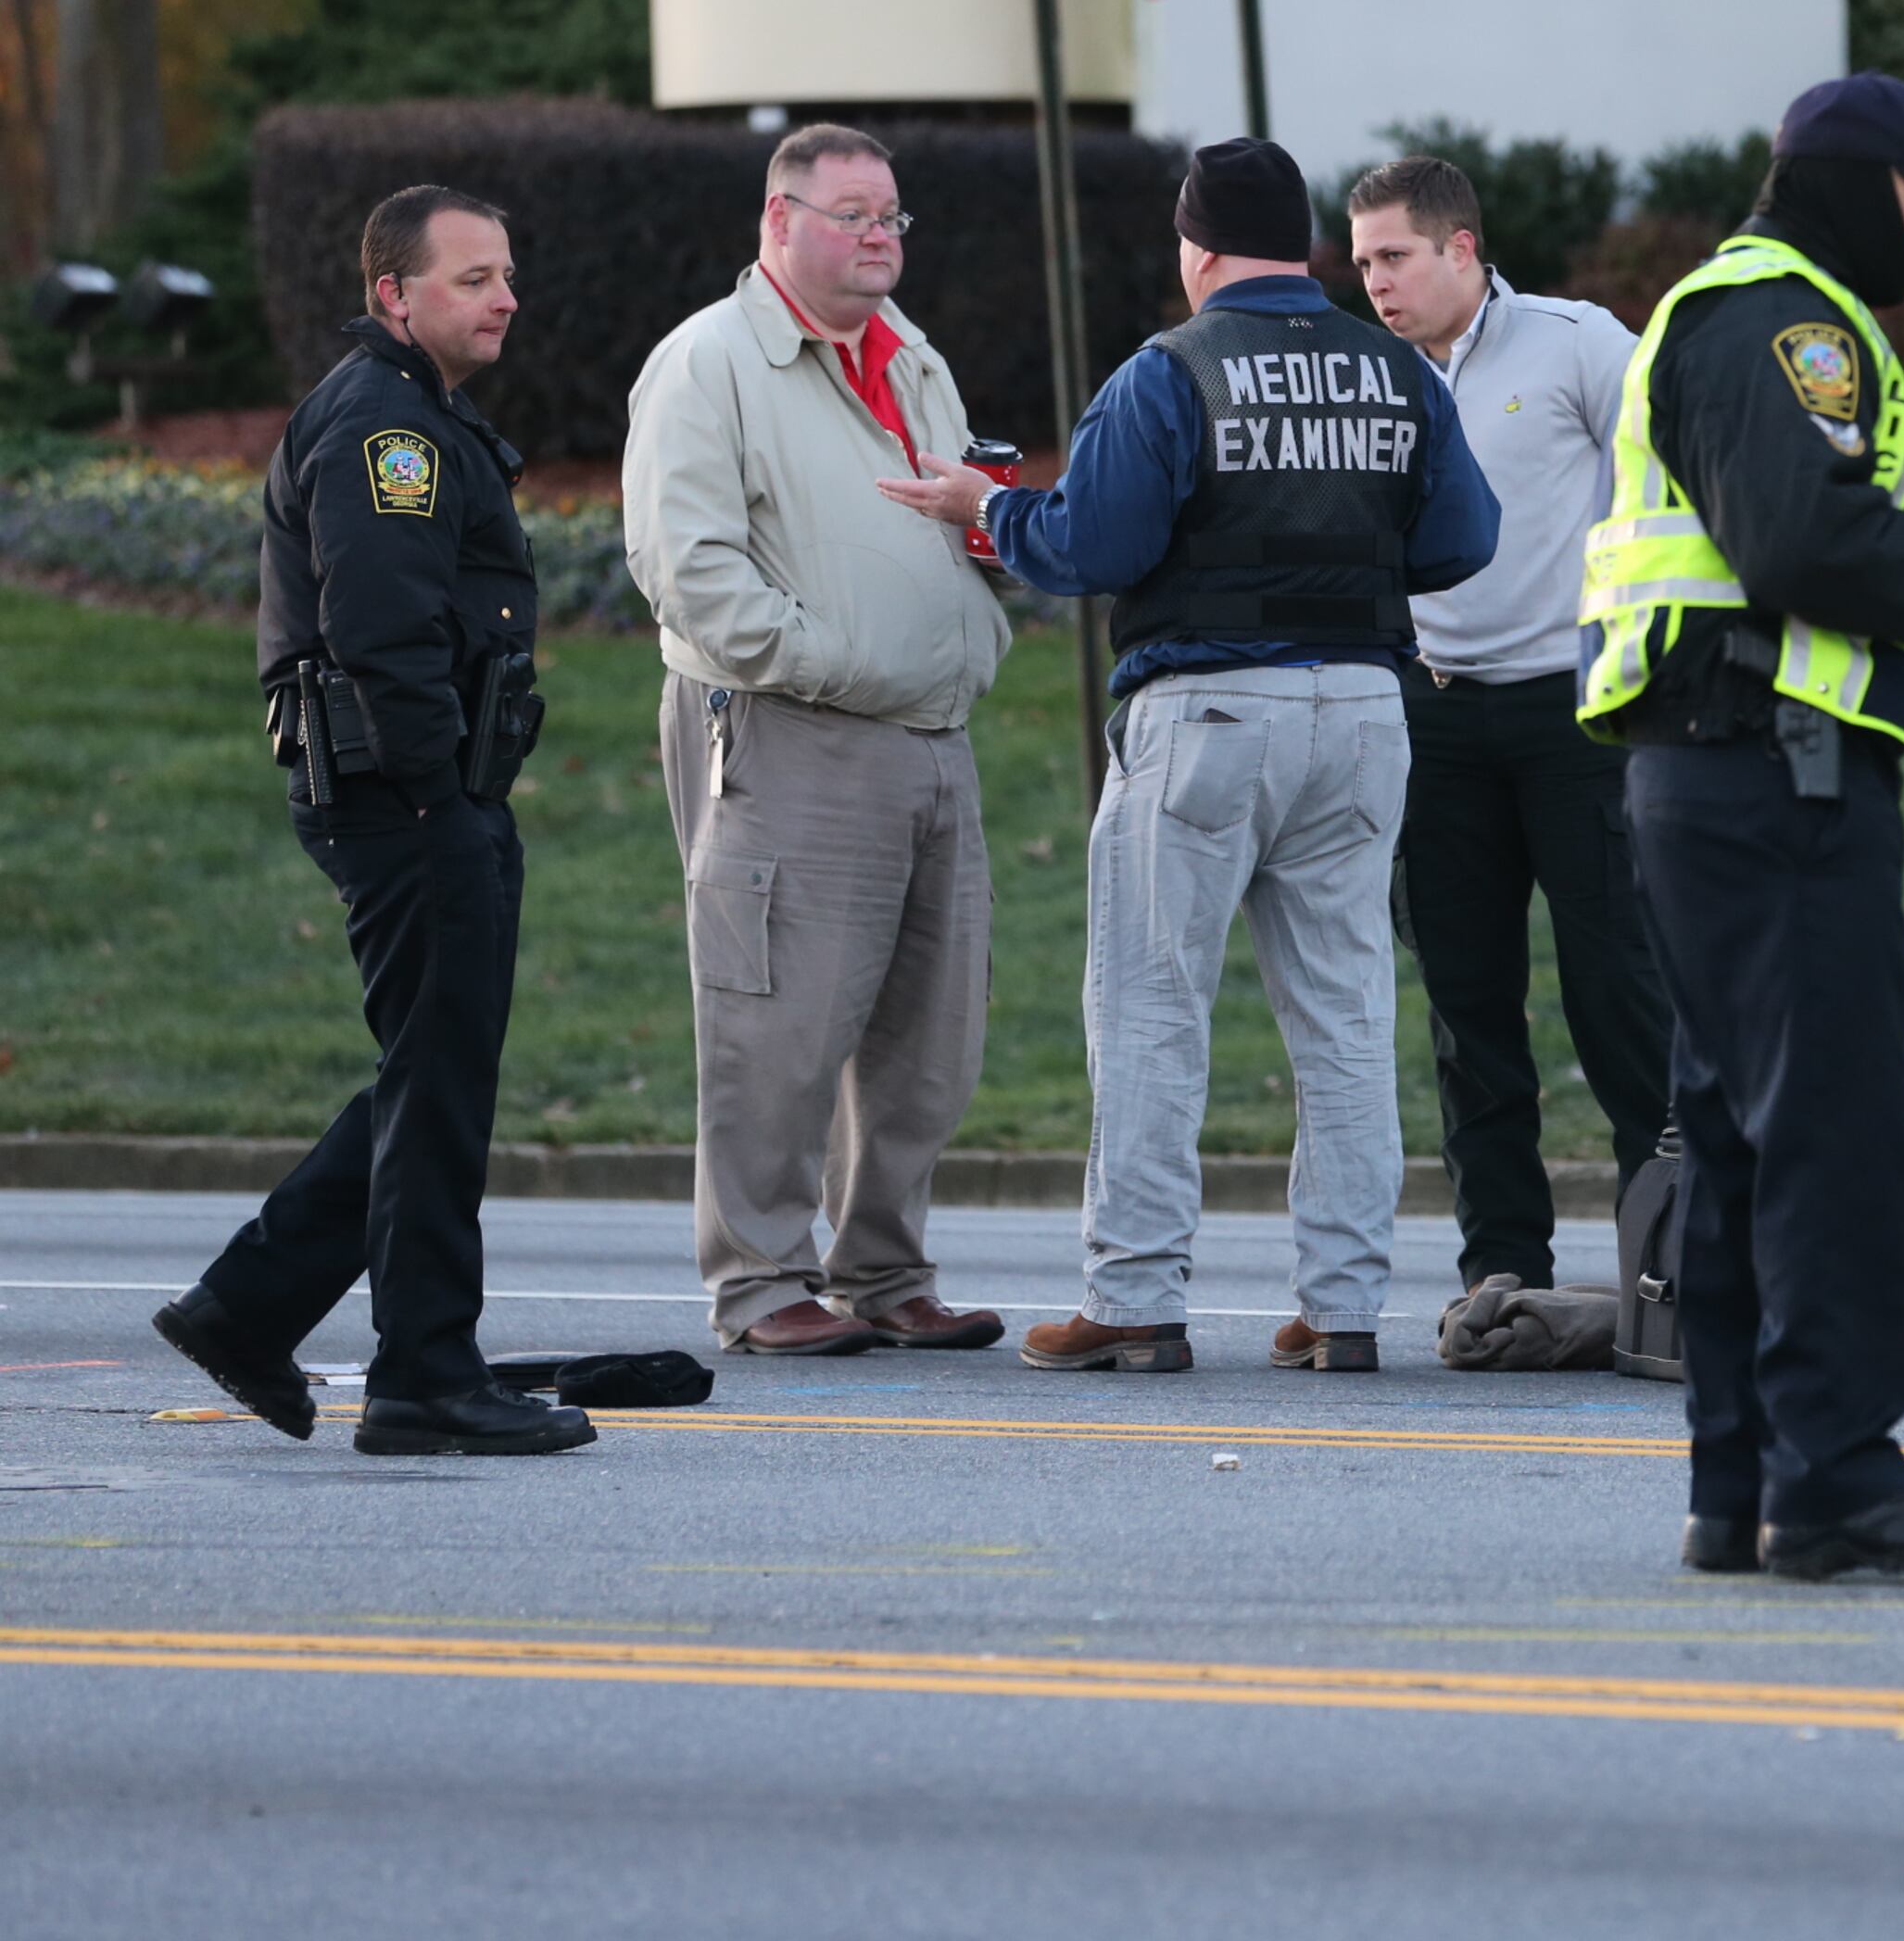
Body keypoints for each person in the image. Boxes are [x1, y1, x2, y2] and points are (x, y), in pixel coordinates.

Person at [878, 137, 1500, 1375]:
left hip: (1207, 715)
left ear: (1196, 249)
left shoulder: (1170, 372)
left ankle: (1137, 1299)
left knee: (1153, 1009)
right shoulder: (1394, 370)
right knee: (1346, 1016)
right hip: (1366, 714)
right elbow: (1462, 539)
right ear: (1310, 245)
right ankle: (1343, 1308)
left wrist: (989, 509)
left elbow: (1092, 546)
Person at [1574, 72, 1904, 1582]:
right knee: (1830, 1140)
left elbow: (1767, 579)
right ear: (1856, 190)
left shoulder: (1738, 316)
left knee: (1739, 1145)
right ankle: (1838, 1475)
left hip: (1721, 772)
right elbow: (1805, 544)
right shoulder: (1781, 321)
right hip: (1771, 790)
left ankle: (1743, 1486)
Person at [152, 185, 589, 1456]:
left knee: (431, 1079)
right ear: (394, 295)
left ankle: (249, 1311)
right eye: (472, 278)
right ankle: (422, 1378)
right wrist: (440, 796)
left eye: (507, 274)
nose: (504, 296)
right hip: (407, 799)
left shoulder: (420, 415)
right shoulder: (382, 428)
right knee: (438, 1085)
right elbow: (385, 634)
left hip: (422, 794)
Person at [621, 124, 1013, 1357]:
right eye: (852, 214)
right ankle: (758, 1282)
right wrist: (841, 657)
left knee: (929, 1039)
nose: (881, 234)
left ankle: (885, 1271)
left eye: (892, 214)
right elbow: (689, 576)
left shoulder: (915, 360)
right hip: (794, 733)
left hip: (933, 737)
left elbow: (952, 527)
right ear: (778, 223)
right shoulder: (709, 364)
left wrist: (975, 621)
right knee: (776, 1029)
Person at [1346, 155, 1672, 1298]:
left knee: (1621, 997)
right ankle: (1500, 1271)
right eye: (1362, 263)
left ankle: (1667, 1265)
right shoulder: (1370, 377)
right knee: (1465, 1009)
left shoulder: (1575, 341)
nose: (1376, 283)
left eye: (1393, 257)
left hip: (1573, 715)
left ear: (1461, 249)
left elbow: (1678, 463)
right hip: (1432, 718)